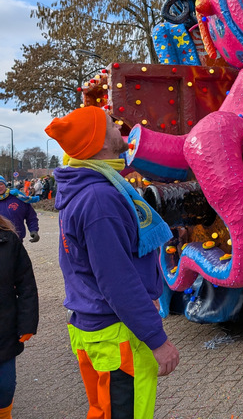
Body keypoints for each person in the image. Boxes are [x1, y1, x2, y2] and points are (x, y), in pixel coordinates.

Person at [45, 106, 179, 418]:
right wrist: (158, 340)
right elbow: (117, 280)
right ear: (99, 143)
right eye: (110, 124)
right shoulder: (99, 199)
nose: (118, 127)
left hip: (97, 329)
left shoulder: (83, 189)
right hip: (117, 336)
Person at [0, 215, 38, 419]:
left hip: (4, 329)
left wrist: (27, 323)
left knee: (5, 387)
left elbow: (26, 284)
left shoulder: (8, 239)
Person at [0, 177, 39, 243]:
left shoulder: (18, 197)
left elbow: (31, 216)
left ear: (5, 185)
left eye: (1, 184)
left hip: (16, 239)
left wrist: (33, 230)